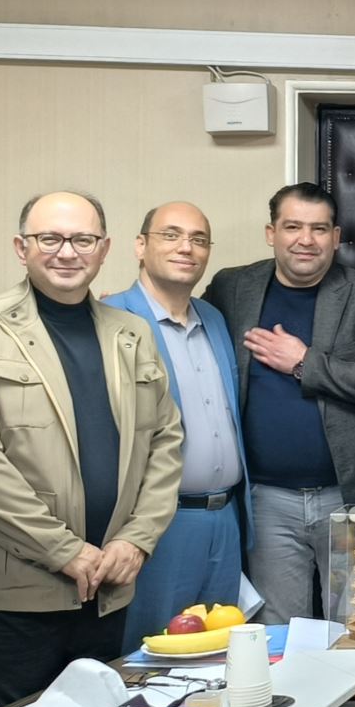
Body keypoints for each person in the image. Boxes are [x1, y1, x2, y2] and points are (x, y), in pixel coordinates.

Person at [0, 191, 182, 705]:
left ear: (104, 249)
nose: (67, 252)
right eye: (50, 238)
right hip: (15, 598)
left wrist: (137, 540)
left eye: (83, 240)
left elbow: (166, 440)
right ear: (21, 248)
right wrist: (64, 550)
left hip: (108, 587)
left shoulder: (132, 333)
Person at [203, 182, 355, 622]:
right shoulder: (232, 287)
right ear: (271, 233)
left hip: (351, 497)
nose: (306, 239)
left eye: (319, 229)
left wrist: (304, 363)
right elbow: (185, 326)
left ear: (335, 237)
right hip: (266, 502)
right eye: (293, 227)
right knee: (279, 635)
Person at [103, 202, 249, 652]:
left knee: (218, 658)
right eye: (171, 235)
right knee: (150, 657)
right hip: (158, 525)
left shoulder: (214, 318)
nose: (186, 247)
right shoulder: (108, 318)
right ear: (140, 246)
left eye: (198, 239)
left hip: (225, 520)